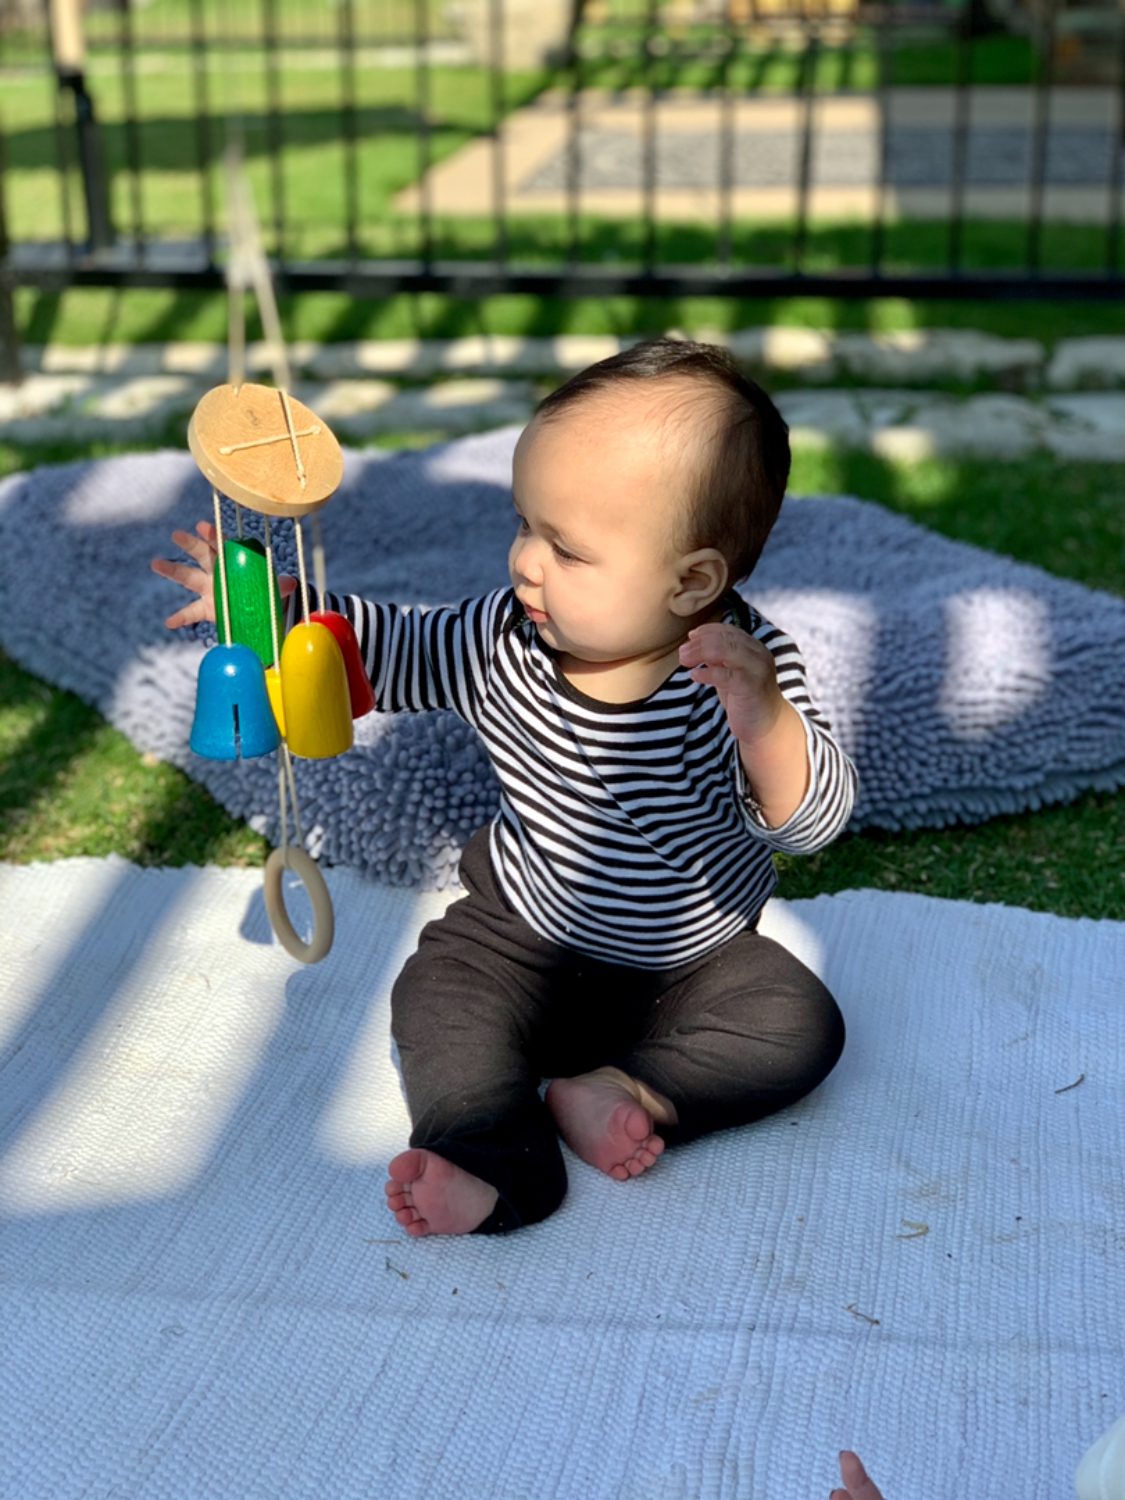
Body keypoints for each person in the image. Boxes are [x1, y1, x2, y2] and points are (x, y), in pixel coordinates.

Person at [153, 338, 858, 1239]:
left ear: (692, 582)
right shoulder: (501, 637)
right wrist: (274, 615)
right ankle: (493, 1152)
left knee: (799, 1021)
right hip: (517, 935)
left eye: (566, 548)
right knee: (435, 995)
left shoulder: (735, 677)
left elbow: (816, 819)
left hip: (690, 961)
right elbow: (387, 647)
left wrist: (764, 720)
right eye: (526, 524)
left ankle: (631, 1089)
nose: (525, 561)